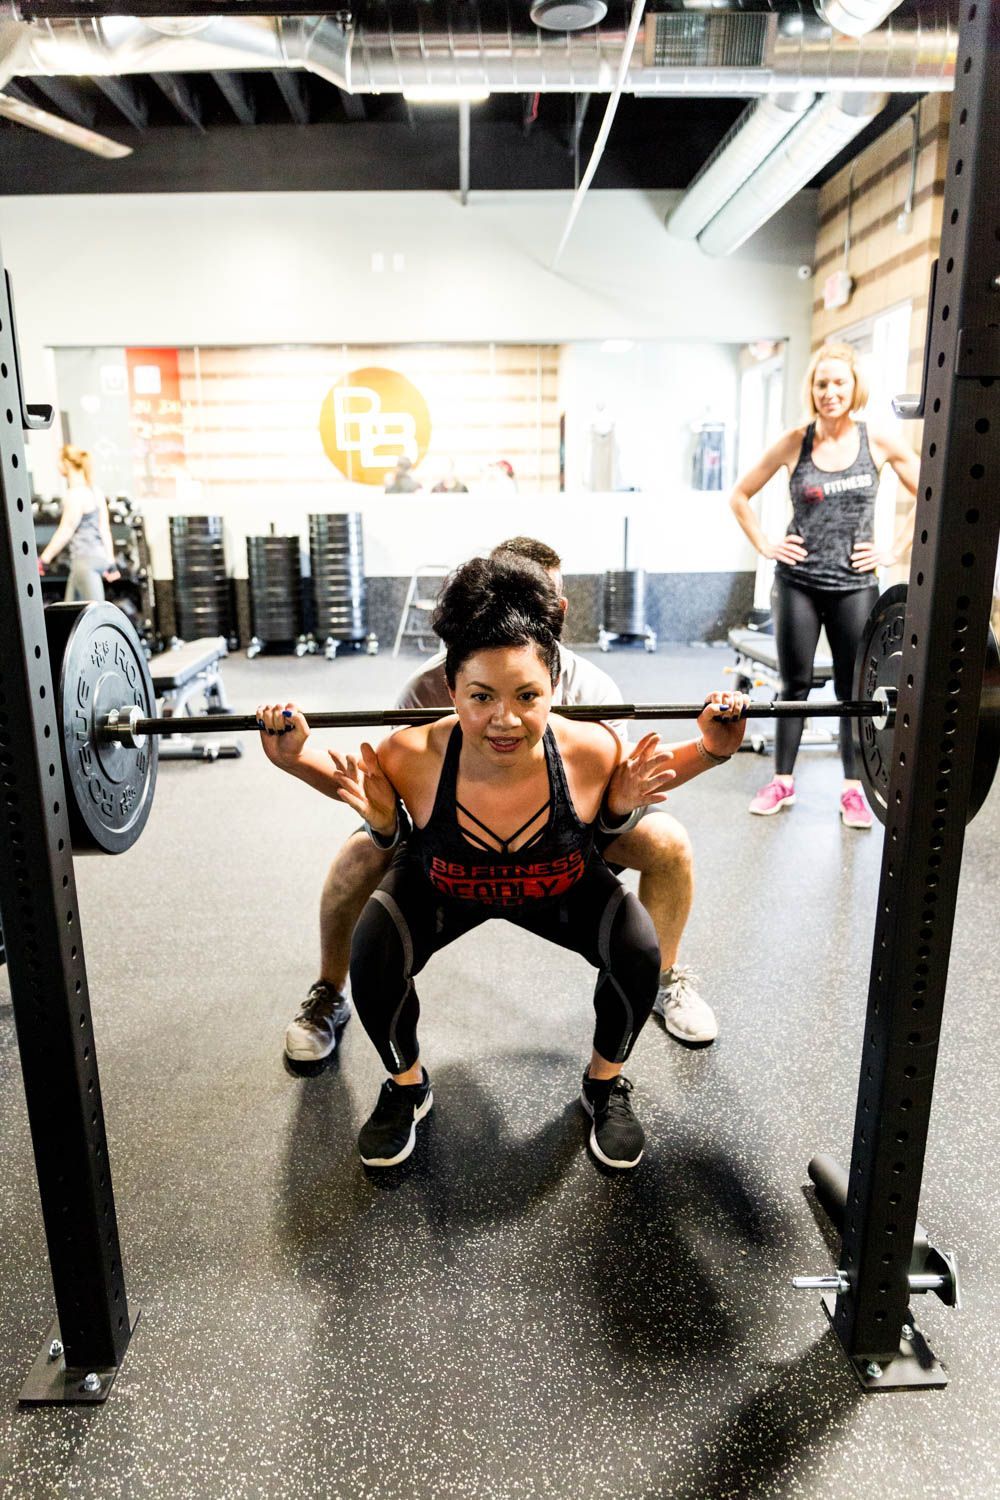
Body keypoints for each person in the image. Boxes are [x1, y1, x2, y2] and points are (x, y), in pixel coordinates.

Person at [258, 554, 747, 1170]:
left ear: (553, 689)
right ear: (452, 689)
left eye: (527, 696)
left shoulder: (589, 749)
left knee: (638, 948)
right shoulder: (414, 752)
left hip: (558, 888)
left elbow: (658, 765)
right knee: (374, 946)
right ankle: (407, 1086)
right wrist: (294, 755)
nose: (504, 719)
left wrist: (713, 747)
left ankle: (604, 1084)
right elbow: (348, 776)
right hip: (446, 887)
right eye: (481, 696)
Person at [729, 342, 919, 828]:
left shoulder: (875, 439)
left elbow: (930, 490)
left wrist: (895, 549)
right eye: (821, 383)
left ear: (855, 388)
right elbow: (741, 495)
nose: (830, 392)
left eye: (839, 382)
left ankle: (853, 789)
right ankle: (782, 781)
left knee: (852, 687)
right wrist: (767, 545)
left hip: (855, 585)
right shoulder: (796, 441)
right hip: (798, 583)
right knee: (794, 684)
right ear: (811, 390)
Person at [38, 445, 120, 601]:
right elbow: (104, 529)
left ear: (66, 463)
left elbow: (66, 530)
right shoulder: (95, 491)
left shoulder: (75, 494)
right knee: (70, 616)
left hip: (85, 562)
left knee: (94, 617)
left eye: (58, 462)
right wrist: (110, 561)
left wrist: (44, 559)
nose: (57, 466)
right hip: (97, 559)